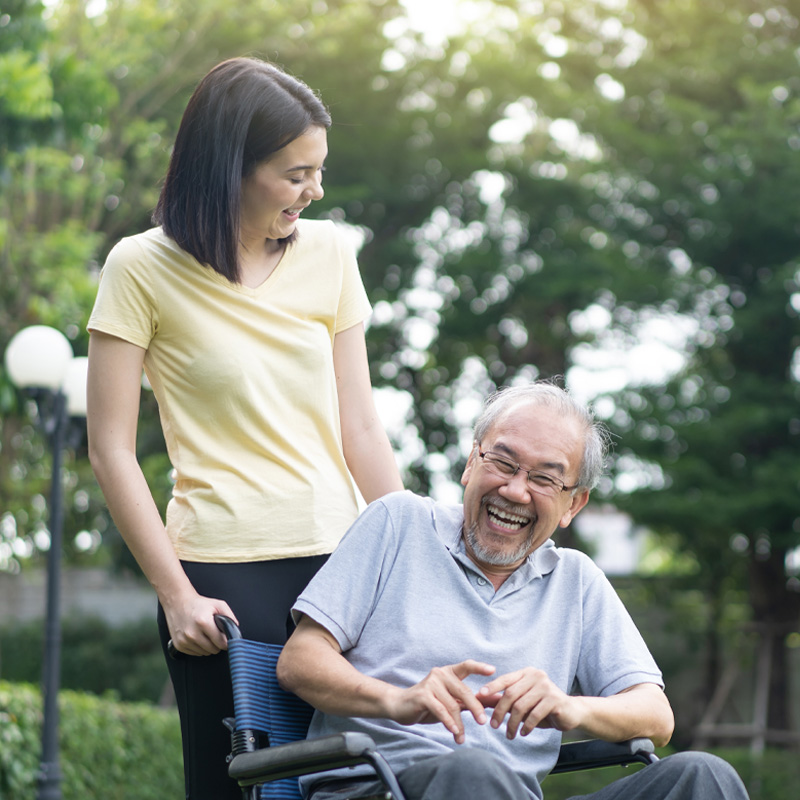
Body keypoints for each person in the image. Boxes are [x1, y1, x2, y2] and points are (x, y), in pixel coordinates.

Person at [86, 57, 403, 799]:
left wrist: (411, 550)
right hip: (221, 577)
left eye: (318, 171)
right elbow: (110, 448)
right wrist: (176, 595)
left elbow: (360, 424)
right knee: (240, 787)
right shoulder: (140, 268)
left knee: (361, 781)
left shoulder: (329, 253)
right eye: (296, 173)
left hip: (341, 563)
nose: (315, 190)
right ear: (233, 166)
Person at [277, 382, 750, 800]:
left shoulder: (577, 581)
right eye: (503, 462)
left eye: (544, 478)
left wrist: (570, 708)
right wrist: (395, 700)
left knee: (702, 777)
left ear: (573, 504)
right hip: (379, 787)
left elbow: (655, 715)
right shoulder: (397, 522)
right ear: (470, 463)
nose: (516, 491)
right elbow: (300, 661)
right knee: (474, 772)